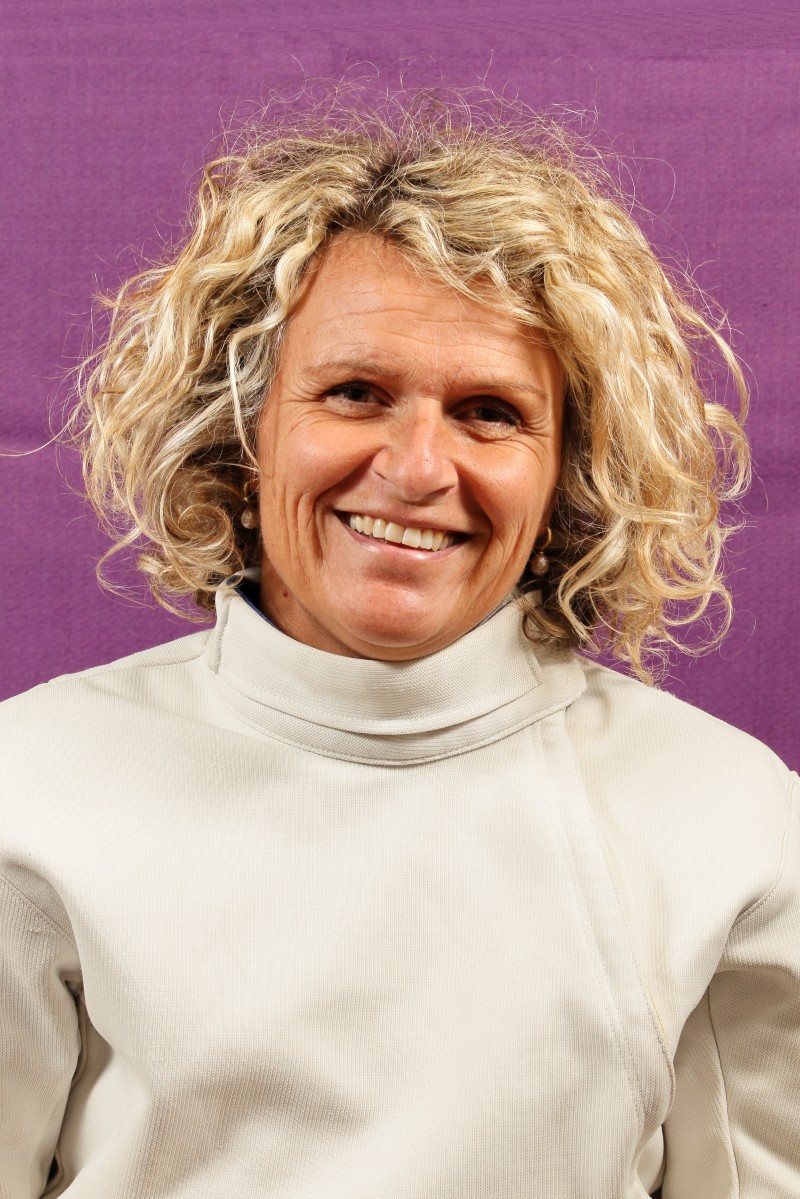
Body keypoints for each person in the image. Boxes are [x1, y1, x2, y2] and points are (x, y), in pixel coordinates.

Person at [1, 98, 797, 1199]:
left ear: (566, 469)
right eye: (354, 393)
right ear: (243, 429)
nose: (418, 468)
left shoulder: (725, 815)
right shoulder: (32, 783)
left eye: (489, 411)